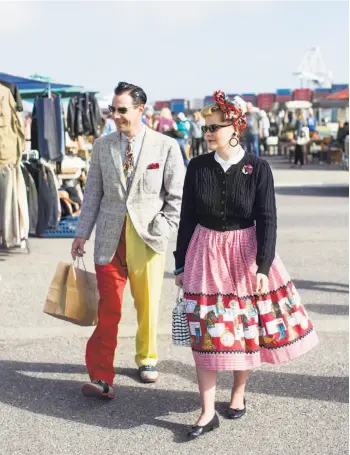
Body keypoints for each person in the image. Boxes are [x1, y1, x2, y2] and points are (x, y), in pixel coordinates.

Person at [174, 90, 318, 439]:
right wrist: (180, 263)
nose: (208, 133)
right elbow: (187, 217)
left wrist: (263, 266)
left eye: (215, 127)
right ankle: (207, 411)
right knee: (206, 330)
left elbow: (267, 217)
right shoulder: (197, 166)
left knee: (242, 328)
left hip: (245, 252)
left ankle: (238, 393)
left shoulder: (258, 167)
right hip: (205, 250)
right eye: (205, 127)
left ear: (235, 126)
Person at [71, 81, 185, 399]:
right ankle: (101, 375)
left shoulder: (165, 146)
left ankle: (147, 358)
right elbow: (92, 193)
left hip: (148, 238)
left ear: (140, 110)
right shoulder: (102, 146)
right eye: (112, 110)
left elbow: (177, 196)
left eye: (122, 110)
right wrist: (82, 234)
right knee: (109, 309)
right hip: (109, 239)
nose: (116, 116)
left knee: (148, 305)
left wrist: (163, 228)